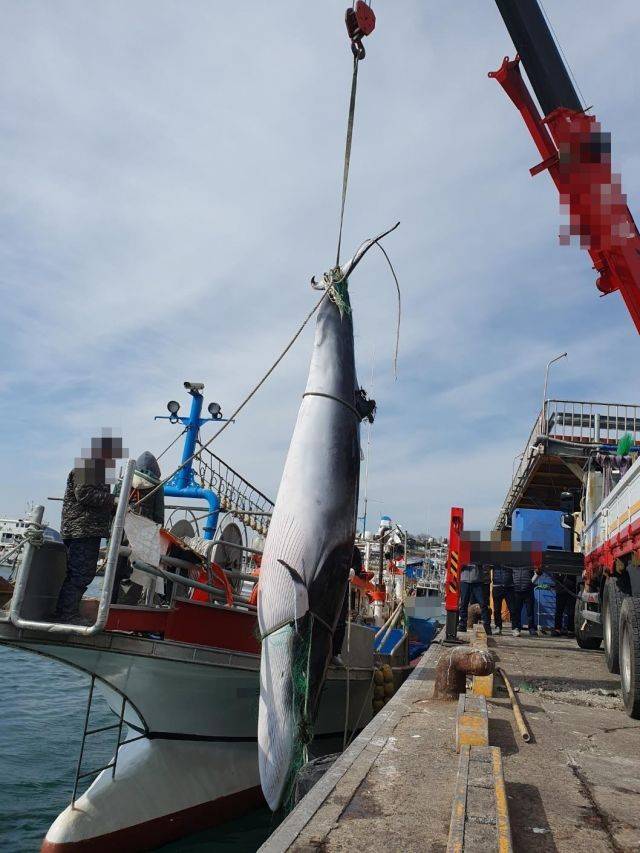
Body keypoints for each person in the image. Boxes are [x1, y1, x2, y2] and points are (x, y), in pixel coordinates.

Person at [55, 434, 125, 624]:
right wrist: (114, 500)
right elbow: (84, 494)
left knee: (81, 573)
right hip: (81, 530)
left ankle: (67, 612)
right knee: (80, 573)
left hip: (87, 529)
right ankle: (66, 614)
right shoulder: (88, 466)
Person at [111, 451, 165, 603]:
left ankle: (108, 606)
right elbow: (159, 518)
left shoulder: (124, 480)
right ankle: (127, 608)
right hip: (142, 538)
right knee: (136, 575)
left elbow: (112, 508)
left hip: (120, 533)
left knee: (113, 571)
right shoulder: (157, 486)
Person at [458, 562, 492, 635]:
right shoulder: (463, 551)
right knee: (463, 603)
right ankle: (462, 625)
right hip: (464, 580)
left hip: (477, 581)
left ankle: (486, 626)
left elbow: (486, 565)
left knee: (483, 604)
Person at [511, 566, 537, 637]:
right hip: (516, 590)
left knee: (530, 611)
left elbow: (537, 572)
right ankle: (517, 628)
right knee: (517, 611)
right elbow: (511, 573)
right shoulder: (514, 563)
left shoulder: (529, 562)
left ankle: (531, 628)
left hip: (528, 590)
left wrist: (531, 582)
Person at [491, 564, 514, 636]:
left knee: (512, 609)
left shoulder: (510, 557)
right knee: (497, 609)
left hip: (509, 586)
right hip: (497, 585)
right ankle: (498, 627)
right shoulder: (494, 556)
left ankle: (515, 628)